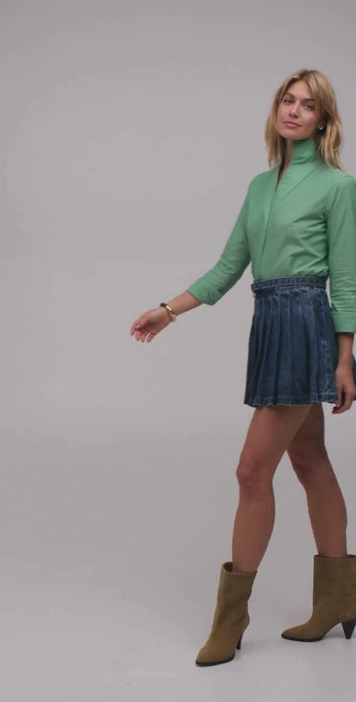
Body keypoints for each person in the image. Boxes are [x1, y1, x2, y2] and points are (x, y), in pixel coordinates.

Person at [130, 69, 356, 666]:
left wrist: (345, 360)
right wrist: (167, 310)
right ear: (277, 108)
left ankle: (230, 621)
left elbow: (349, 279)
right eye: (289, 99)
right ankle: (340, 599)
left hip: (306, 323)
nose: (295, 111)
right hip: (269, 324)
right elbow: (229, 267)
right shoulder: (260, 186)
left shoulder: (337, 186)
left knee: (251, 471)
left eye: (309, 106)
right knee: (310, 460)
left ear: (323, 121)